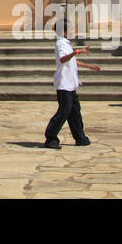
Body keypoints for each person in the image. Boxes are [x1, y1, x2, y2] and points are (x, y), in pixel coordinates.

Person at [44, 13, 101, 149]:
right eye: (69, 29)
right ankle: (51, 137)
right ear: (63, 31)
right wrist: (76, 52)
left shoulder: (66, 43)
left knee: (74, 111)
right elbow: (64, 59)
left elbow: (72, 61)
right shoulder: (60, 43)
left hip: (70, 83)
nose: (72, 31)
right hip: (63, 84)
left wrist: (89, 66)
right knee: (64, 111)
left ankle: (80, 137)